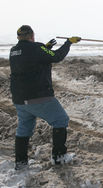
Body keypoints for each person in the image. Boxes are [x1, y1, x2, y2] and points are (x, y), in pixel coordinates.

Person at [9, 25, 81, 170]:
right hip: (38, 95)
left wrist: (46, 48)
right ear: (32, 36)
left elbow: (32, 58)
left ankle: (21, 163)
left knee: (24, 128)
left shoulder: (13, 51)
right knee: (61, 120)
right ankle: (59, 157)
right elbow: (56, 57)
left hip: (19, 98)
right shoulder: (36, 48)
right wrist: (68, 43)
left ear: (18, 37)